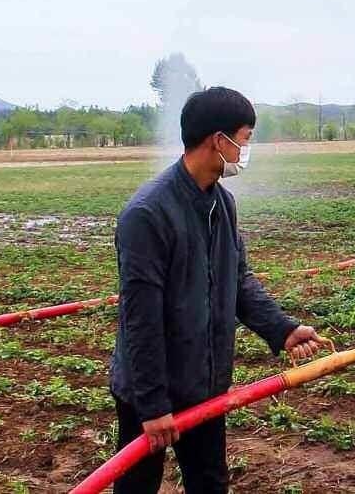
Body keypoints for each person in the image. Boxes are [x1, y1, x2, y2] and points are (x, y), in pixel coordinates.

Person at [110, 87, 326, 493]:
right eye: (245, 138)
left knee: (209, 483)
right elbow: (140, 319)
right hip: (150, 393)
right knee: (138, 486)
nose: (246, 149)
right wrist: (154, 406)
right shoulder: (147, 214)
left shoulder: (221, 203)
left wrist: (282, 329)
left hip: (204, 384)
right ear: (218, 140)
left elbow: (238, 280)